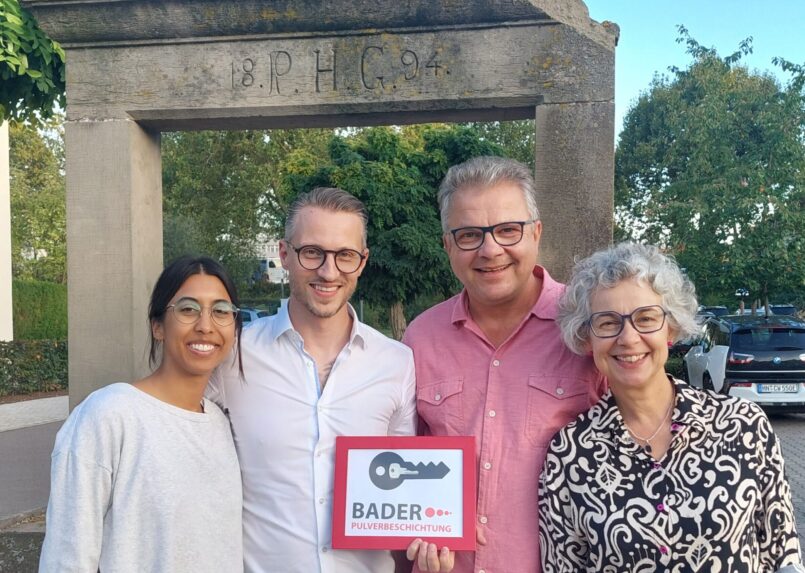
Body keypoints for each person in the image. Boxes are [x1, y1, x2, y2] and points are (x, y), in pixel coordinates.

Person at [539, 242, 804, 572]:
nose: (628, 338)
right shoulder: (569, 453)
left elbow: (783, 555)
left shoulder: (744, 425)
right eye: (607, 323)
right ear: (586, 337)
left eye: (646, 318)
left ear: (672, 326)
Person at [402, 156, 606, 573]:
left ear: (536, 232)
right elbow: (404, 462)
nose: (490, 249)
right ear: (447, 245)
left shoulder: (590, 328)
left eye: (507, 230)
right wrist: (415, 527)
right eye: (469, 235)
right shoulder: (420, 339)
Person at [207, 187, 418, 573]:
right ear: (284, 254)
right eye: (312, 252)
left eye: (345, 256)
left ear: (363, 261)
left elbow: (406, 493)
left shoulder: (397, 363)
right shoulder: (232, 356)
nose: (328, 270)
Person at [38, 256, 244, 572]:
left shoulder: (219, 423)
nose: (206, 325)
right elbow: (67, 557)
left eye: (221, 311)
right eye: (188, 309)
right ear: (158, 326)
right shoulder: (109, 414)